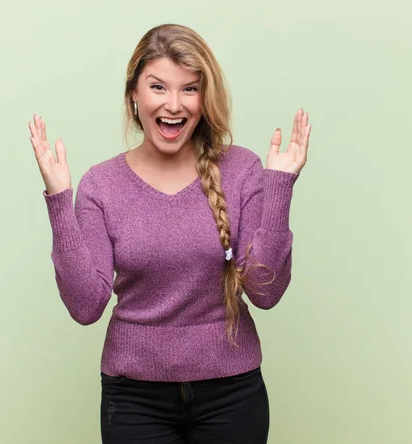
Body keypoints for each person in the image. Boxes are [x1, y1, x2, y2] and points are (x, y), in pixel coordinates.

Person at [28, 23, 311, 444]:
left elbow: (266, 294)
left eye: (189, 89)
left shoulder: (243, 170)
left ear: (204, 97)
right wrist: (58, 200)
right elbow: (86, 306)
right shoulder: (101, 184)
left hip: (232, 394)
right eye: (158, 87)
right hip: (133, 399)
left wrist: (279, 188)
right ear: (134, 97)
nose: (174, 104)